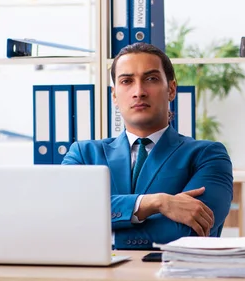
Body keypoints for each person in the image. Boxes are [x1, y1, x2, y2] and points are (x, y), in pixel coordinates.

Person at [62, 42, 233, 249]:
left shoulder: (207, 155)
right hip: (95, 279)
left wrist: (105, 235)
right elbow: (65, 215)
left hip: (174, 278)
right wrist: (157, 202)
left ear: (171, 89)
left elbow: (188, 231)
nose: (139, 92)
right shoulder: (83, 154)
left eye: (150, 79)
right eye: (127, 81)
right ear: (114, 96)